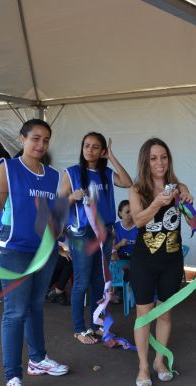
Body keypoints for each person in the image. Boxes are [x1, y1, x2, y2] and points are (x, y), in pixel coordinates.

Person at [0, 119, 69, 386]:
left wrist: (61, 238)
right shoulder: (8, 168)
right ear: (22, 139)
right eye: (35, 138)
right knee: (15, 312)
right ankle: (13, 379)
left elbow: (52, 215)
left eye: (45, 140)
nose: (41, 144)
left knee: (35, 306)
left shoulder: (53, 175)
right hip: (14, 251)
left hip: (44, 252)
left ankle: (38, 359)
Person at [128, 138, 193, 386]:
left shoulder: (179, 187)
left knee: (165, 313)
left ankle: (159, 361)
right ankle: (143, 366)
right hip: (144, 261)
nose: (159, 162)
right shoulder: (137, 190)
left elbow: (190, 222)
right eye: (153, 158)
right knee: (144, 314)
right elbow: (138, 221)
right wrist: (157, 202)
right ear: (145, 161)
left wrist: (188, 203)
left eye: (164, 157)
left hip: (171, 261)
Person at [59, 132, 133, 344]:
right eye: (86, 145)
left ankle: (96, 324)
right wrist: (72, 197)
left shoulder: (106, 173)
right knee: (82, 281)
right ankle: (79, 329)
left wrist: (112, 157)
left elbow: (127, 182)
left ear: (102, 151)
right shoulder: (72, 173)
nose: (89, 150)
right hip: (82, 233)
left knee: (99, 281)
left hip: (104, 232)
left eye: (95, 147)